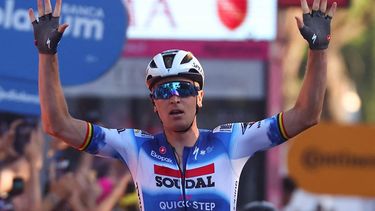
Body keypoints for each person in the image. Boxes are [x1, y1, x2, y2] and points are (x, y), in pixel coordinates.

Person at [28, 0, 336, 210]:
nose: (175, 97)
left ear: (199, 97)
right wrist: (47, 54)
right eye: (164, 92)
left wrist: (318, 50)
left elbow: (306, 115)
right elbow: (58, 125)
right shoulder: (136, 147)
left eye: (185, 88)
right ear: (154, 104)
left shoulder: (231, 141)